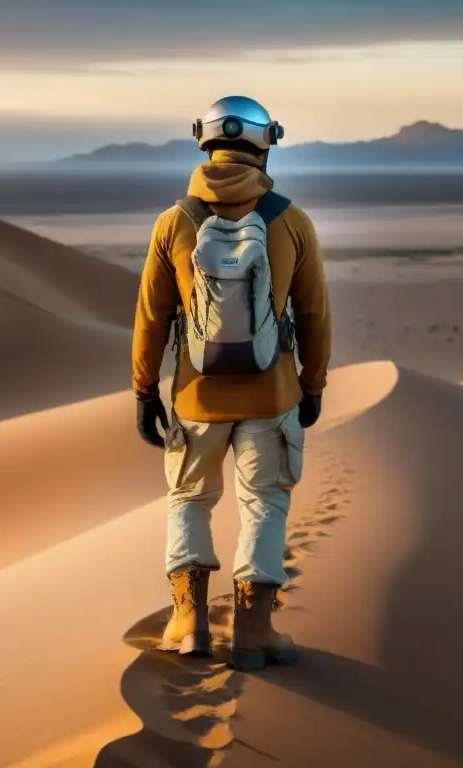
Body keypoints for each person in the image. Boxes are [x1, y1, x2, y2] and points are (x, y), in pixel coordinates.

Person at [132, 95, 331, 671]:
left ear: (204, 140)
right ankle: (253, 629)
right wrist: (312, 385)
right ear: (266, 143)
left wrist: (145, 390)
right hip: (273, 397)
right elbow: (315, 313)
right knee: (264, 504)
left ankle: (189, 621)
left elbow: (151, 316)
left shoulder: (174, 222)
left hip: (196, 397)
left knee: (190, 500)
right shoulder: (290, 221)